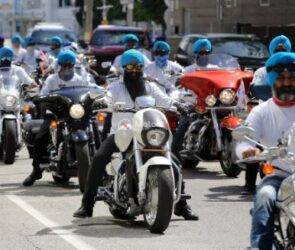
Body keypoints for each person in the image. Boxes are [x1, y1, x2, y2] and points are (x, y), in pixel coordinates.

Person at [73, 49, 198, 220]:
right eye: (130, 67)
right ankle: (87, 204)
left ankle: (181, 204)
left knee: (174, 160)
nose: (134, 70)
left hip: (147, 131)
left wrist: (179, 105)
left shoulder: (150, 86)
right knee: (99, 157)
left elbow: (165, 100)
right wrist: (101, 103)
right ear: (124, 68)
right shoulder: (116, 87)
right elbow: (108, 98)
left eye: (138, 66)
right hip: (122, 132)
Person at [235, 52, 295, 250]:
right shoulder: (262, 111)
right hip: (278, 175)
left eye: (291, 78)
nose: (287, 82)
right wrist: (247, 151)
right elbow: (244, 140)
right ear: (271, 80)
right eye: (281, 78)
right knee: (264, 198)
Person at [22, 50, 96, 186]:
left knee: (96, 125)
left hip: (76, 113)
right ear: (59, 65)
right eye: (64, 65)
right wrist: (39, 98)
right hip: (57, 114)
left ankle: (102, 169)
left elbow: (91, 88)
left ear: (74, 65)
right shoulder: (52, 80)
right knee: (40, 138)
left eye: (70, 65)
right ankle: (36, 171)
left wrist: (100, 90)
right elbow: (43, 93)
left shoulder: (80, 79)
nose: (67, 68)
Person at [243, 35, 293, 195]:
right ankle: (249, 185)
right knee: (254, 146)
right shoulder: (263, 71)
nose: (286, 82)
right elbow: (256, 88)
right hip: (267, 118)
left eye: (283, 49)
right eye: (277, 50)